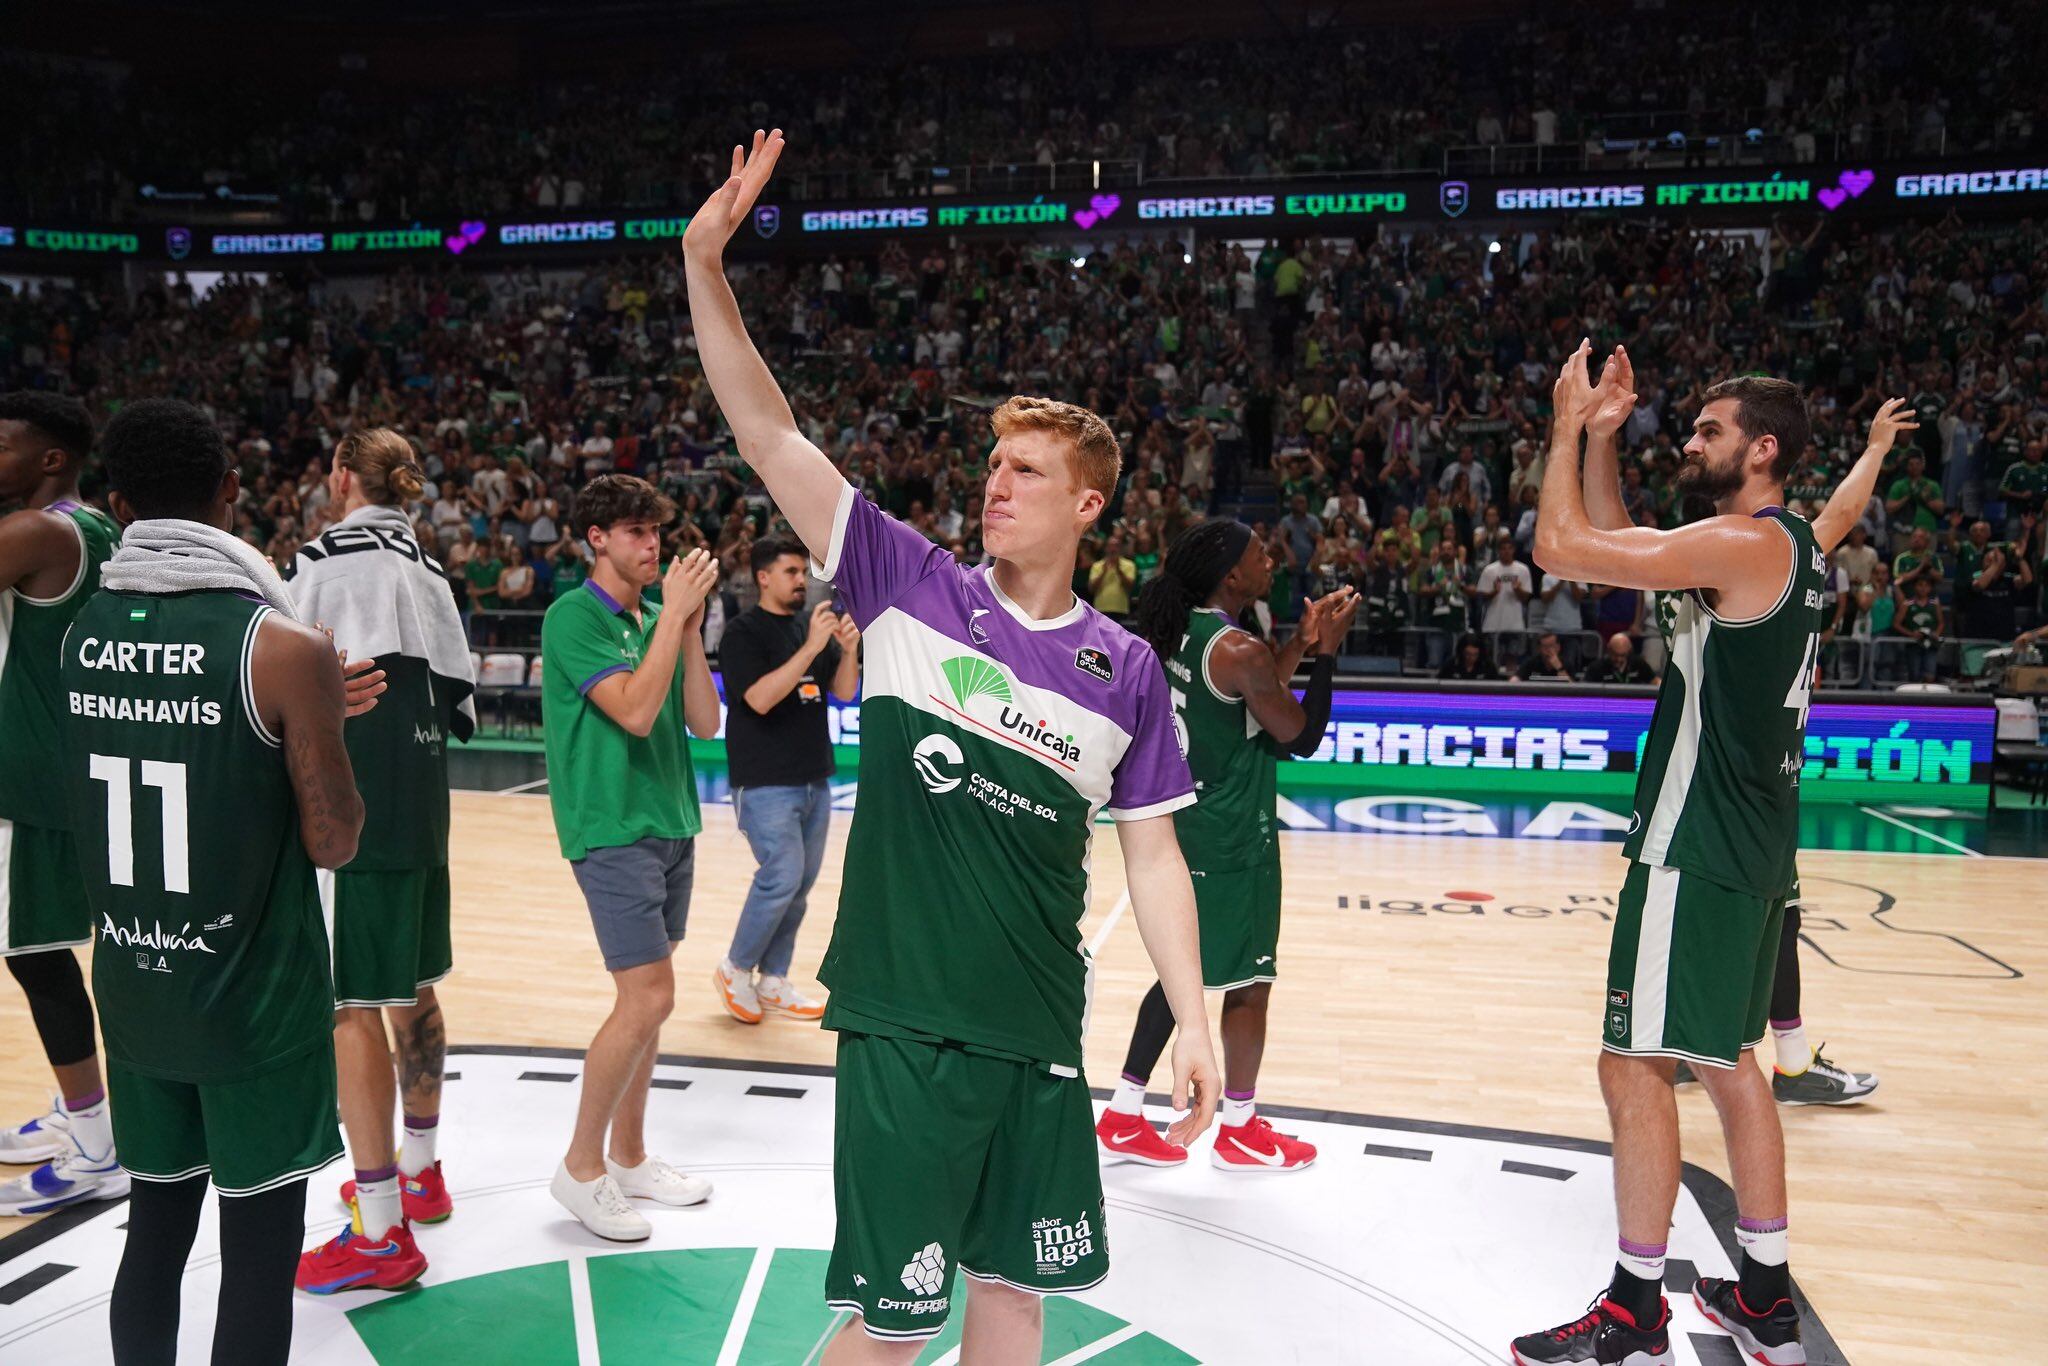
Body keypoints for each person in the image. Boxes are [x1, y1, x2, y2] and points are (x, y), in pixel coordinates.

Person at [685, 130, 1219, 1360]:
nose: (995, 484)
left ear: (1087, 503)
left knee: (1013, 1297)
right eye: (991, 464)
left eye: (1024, 470)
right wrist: (705, 264)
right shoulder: (905, 582)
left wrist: (1189, 1019)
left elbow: (1153, 858)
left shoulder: (1128, 670)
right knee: (893, 1324)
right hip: (905, 1020)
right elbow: (768, 435)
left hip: (1036, 1025)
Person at [1514, 345, 1826, 1366]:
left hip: (1695, 844)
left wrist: (1566, 424)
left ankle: (1634, 1306)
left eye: (1708, 431)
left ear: (1762, 450)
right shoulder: (1781, 548)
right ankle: (1765, 1296)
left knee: (1632, 1063)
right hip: (1754, 846)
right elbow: (1623, 542)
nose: (1688, 442)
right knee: (1729, 1064)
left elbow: (1562, 547)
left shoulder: (1741, 544)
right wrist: (1607, 440)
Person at [62, 397, 378, 1365]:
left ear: (119, 506)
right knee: (256, 1254)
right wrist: (321, 718)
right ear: (231, 492)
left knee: (154, 1233)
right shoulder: (282, 647)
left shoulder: (78, 632)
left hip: (134, 988)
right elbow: (334, 840)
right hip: (253, 1003)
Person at [286, 429, 479, 1294]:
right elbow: (461, 706)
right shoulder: (431, 573)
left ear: (340, 477)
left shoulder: (320, 565)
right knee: (413, 990)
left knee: (349, 1008)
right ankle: (421, 1171)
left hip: (351, 819)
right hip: (424, 815)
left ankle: (378, 1232)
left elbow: (275, 694)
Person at [1099, 522, 1355, 1172]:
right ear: (1232, 576)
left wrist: (1300, 641)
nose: (1271, 560)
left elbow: (1253, 697)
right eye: (1259, 554)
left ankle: (1124, 1113)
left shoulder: (1183, 630)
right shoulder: (1239, 648)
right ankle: (1238, 1127)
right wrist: (1328, 654)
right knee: (1249, 982)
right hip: (1233, 836)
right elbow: (1300, 735)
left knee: (1180, 974)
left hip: (1187, 822)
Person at [541, 475, 724, 1241]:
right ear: (597, 539)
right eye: (635, 532)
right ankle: (581, 1168)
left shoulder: (657, 617)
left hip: (672, 822)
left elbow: (705, 723)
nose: (653, 546)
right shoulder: (573, 617)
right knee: (646, 998)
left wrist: (686, 627)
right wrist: (673, 616)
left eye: (656, 532)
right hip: (611, 826)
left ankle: (630, 1154)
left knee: (651, 1000)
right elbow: (637, 711)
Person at [0, 393, 126, 1215]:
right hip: (71, 771)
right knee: (48, 955)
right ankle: (87, 1115)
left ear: (51, 459)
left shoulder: (36, 532)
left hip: (30, 783)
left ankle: (95, 1146)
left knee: (38, 959)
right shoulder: (97, 526)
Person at [711, 536, 860, 1024]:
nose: (802, 581)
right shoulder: (743, 633)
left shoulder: (805, 626)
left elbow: (843, 692)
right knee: (780, 877)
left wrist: (848, 651)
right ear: (763, 577)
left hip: (814, 777)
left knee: (799, 886)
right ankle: (735, 968)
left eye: (803, 573)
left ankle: (773, 979)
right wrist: (812, 647)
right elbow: (758, 699)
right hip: (765, 780)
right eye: (792, 572)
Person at [1475, 534, 1534, 633]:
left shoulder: (1523, 569)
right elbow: (1481, 597)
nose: (1507, 551)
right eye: (1503, 548)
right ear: (1498, 551)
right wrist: (1494, 592)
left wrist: (1517, 590)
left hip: (1515, 625)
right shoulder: (1489, 570)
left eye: (1509, 548)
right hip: (1492, 624)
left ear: (1514, 550)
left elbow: (1526, 598)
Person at [1582, 632, 1655, 685]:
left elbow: (1655, 681)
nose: (1619, 659)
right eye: (1615, 655)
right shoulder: (1596, 668)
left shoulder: (1638, 663)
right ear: (1609, 650)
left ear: (1629, 652)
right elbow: (1585, 689)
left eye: (1623, 655)